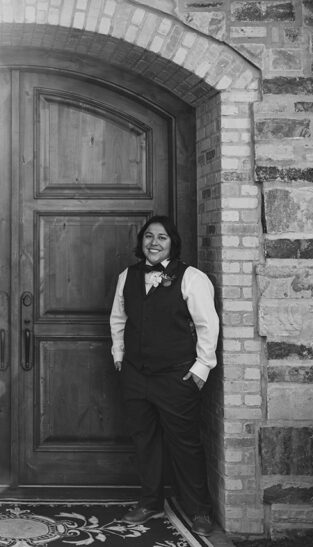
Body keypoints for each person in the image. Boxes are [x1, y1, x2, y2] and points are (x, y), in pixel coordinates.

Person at [109, 215, 219, 537]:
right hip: (135, 374)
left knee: (185, 444)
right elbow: (119, 317)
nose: (153, 243)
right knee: (145, 441)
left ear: (172, 243)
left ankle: (199, 509)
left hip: (176, 377)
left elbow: (207, 325)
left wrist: (201, 368)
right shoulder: (127, 276)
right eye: (148, 237)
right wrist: (119, 355)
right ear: (141, 241)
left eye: (161, 238)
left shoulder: (191, 278)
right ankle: (150, 501)